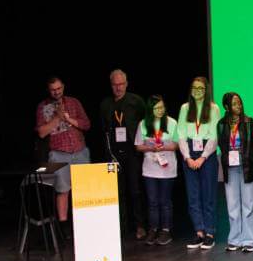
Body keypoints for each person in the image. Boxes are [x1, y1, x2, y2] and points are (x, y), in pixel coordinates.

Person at [99, 69, 147, 240]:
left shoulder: (136, 101)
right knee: (118, 192)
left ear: (126, 84)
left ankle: (140, 225)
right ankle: (121, 227)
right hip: (113, 154)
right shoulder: (106, 104)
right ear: (111, 85)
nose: (118, 88)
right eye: (115, 85)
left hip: (133, 153)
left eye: (121, 84)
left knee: (135, 190)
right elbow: (103, 129)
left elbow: (145, 123)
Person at [35, 76, 91, 225]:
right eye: (53, 90)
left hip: (80, 152)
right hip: (59, 154)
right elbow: (41, 132)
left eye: (59, 89)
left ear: (63, 87)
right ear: (49, 90)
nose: (56, 92)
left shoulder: (74, 102)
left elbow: (86, 125)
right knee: (63, 190)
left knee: (83, 191)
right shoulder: (43, 106)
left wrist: (69, 119)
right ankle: (64, 227)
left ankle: (83, 226)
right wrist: (58, 118)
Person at [177, 77, 221, 250]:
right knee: (193, 195)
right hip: (189, 152)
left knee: (208, 195)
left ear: (206, 90)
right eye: (194, 88)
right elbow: (180, 134)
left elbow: (214, 135)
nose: (197, 91)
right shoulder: (185, 108)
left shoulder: (213, 108)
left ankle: (209, 232)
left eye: (201, 88)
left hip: (207, 154)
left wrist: (202, 157)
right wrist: (188, 157)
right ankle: (199, 231)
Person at [218, 92, 253, 253]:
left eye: (239, 103)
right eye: (234, 103)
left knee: (249, 204)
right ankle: (234, 239)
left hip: (247, 166)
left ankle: (248, 240)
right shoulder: (221, 124)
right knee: (232, 205)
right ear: (227, 106)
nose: (238, 106)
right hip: (230, 167)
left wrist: (249, 158)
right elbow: (221, 144)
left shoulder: (250, 122)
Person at [135, 95, 178, 246]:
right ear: (150, 110)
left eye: (162, 107)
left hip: (167, 168)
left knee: (165, 201)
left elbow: (175, 145)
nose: (160, 110)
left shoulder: (172, 122)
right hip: (150, 169)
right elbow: (138, 146)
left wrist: (163, 146)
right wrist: (151, 147)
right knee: (152, 201)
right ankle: (153, 229)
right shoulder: (143, 124)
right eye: (157, 108)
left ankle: (165, 230)